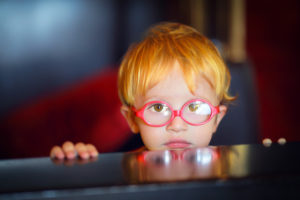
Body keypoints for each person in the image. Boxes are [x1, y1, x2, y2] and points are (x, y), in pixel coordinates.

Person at [50, 22, 235, 160]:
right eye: (157, 108)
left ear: (217, 119)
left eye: (195, 107)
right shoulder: (124, 171)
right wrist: (76, 167)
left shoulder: (229, 174)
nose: (177, 125)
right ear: (132, 119)